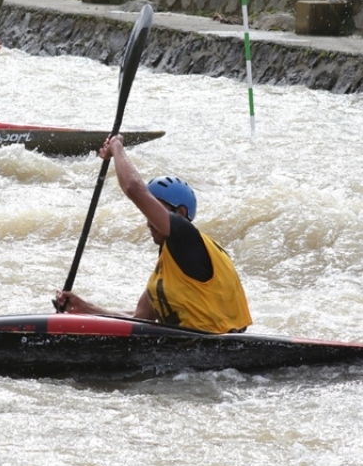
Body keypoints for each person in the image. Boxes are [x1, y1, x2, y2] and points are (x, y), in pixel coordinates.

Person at [54, 135, 252, 334]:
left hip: (219, 348)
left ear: (181, 213)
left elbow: (133, 188)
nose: (149, 221)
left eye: (154, 210)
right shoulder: (168, 269)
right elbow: (138, 319)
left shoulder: (186, 236)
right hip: (197, 351)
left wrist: (116, 147)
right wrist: (85, 309)